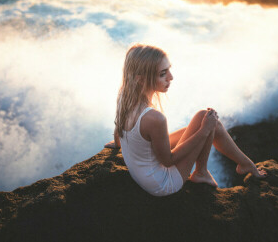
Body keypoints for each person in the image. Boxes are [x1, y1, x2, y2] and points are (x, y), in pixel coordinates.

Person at [105, 44, 266, 196]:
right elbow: (168, 161)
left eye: (169, 70)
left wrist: (118, 144)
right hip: (163, 183)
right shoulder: (154, 118)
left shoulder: (124, 98)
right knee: (209, 123)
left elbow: (118, 130)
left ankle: (221, 167)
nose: (171, 77)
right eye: (163, 74)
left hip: (146, 173)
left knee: (205, 117)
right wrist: (203, 131)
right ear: (140, 79)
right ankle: (207, 171)